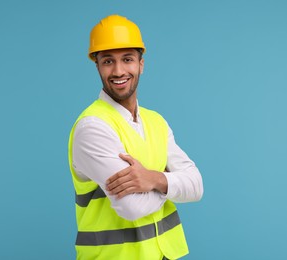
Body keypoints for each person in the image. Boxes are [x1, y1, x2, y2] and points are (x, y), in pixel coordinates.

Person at [68, 14, 203, 260]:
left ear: (141, 63)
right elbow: (131, 207)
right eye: (108, 61)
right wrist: (171, 183)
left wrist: (151, 179)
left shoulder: (156, 122)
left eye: (127, 59)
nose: (118, 71)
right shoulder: (92, 127)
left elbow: (196, 186)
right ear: (97, 65)